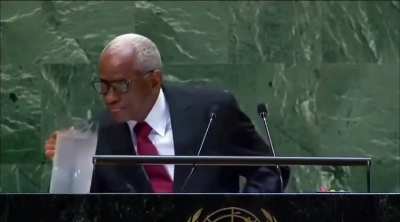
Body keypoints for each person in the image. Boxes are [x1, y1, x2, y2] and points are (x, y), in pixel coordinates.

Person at [45, 33, 288, 193]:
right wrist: (69, 164)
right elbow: (81, 208)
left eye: (120, 85)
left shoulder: (212, 113)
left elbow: (270, 170)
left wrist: (238, 215)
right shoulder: (99, 132)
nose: (109, 97)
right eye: (104, 86)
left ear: (154, 81)